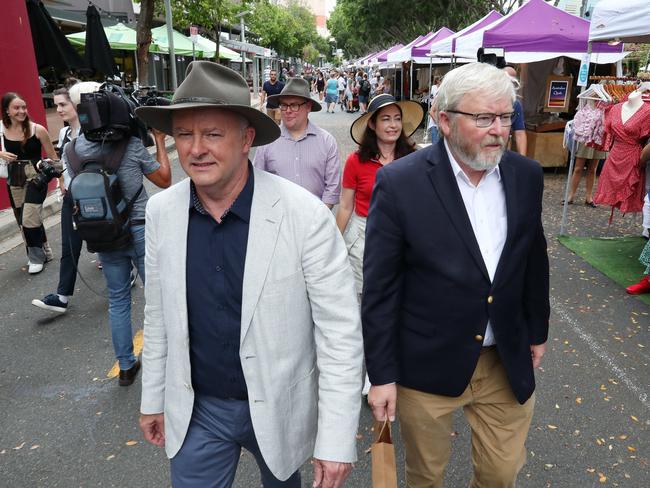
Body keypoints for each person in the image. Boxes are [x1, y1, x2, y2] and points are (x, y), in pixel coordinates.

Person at [135, 61, 363, 488]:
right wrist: (153, 398)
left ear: (247, 139)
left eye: (213, 134)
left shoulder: (304, 215)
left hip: (280, 406)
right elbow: (158, 314)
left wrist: (334, 438)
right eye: (184, 134)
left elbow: (339, 333)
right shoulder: (162, 212)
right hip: (198, 409)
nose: (196, 148)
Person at [362, 62, 550, 487]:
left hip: (504, 358)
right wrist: (382, 374)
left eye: (505, 116)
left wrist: (537, 329)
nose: (499, 129)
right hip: (426, 364)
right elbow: (380, 289)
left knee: (502, 473)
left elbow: (533, 258)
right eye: (484, 118)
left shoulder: (526, 175)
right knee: (426, 474)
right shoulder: (399, 183)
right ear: (444, 121)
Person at [56, 84, 171, 384]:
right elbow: (165, 179)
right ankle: (170, 360)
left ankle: (126, 366)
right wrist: (158, 139)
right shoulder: (131, 147)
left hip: (105, 234)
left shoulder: (72, 150)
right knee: (157, 298)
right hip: (140, 230)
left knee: (119, 300)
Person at [336, 94, 423, 297]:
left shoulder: (413, 158)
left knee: (400, 293)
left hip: (404, 235)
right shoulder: (356, 160)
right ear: (373, 124)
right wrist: (333, 242)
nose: (393, 125)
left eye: (397, 118)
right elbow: (346, 205)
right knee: (363, 295)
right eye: (386, 119)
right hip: (363, 236)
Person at [254, 77, 341, 208]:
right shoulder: (268, 141)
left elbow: (332, 189)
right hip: (277, 220)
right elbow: (257, 182)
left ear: (308, 107)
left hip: (316, 220)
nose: (288, 111)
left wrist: (317, 220)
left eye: (294, 105)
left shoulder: (326, 142)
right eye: (284, 105)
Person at [1, 92, 58, 274]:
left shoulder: (37, 129)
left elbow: (54, 158)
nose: (21, 111)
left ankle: (35, 258)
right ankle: (44, 250)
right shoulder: (1, 129)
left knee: (29, 218)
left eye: (23, 107)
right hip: (14, 179)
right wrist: (0, 153)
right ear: (7, 111)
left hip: (36, 177)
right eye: (16, 108)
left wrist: (61, 181)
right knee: (23, 218)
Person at [565, 142, 607, 207]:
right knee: (578, 168)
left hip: (598, 138)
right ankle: (571, 195)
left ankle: (589, 197)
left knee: (592, 169)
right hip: (585, 137)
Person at [503, 66, 527, 156]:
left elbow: (520, 133)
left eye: (513, 81)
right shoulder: (485, 100)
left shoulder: (515, 104)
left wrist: (523, 159)